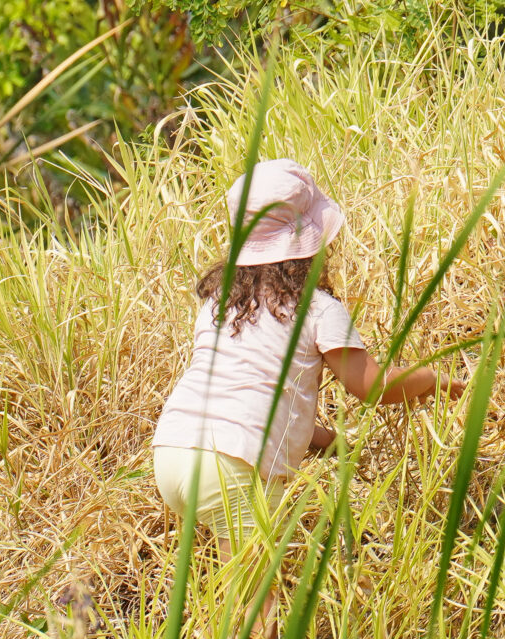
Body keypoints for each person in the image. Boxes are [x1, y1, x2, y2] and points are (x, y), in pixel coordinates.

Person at [150, 160, 452, 537]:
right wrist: (431, 378)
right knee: (256, 578)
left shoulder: (219, 304)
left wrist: (323, 439)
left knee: (232, 573)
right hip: (231, 465)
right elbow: (373, 387)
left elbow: (248, 395)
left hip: (172, 449)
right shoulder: (315, 308)